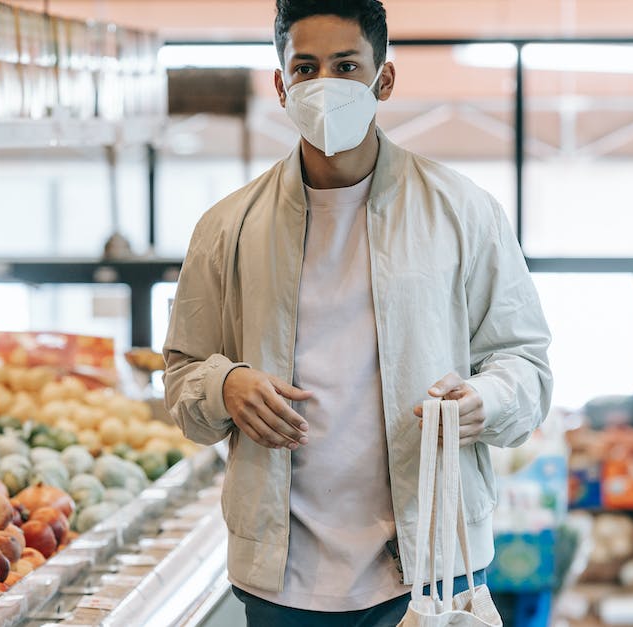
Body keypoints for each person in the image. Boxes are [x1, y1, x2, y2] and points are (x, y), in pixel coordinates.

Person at [164, 1, 553, 624]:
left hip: (433, 569)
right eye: (306, 68)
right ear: (281, 85)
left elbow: (527, 363)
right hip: (279, 579)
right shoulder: (226, 228)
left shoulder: (463, 211)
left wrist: (489, 399)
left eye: (346, 66)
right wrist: (225, 384)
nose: (325, 86)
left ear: (384, 80)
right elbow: (182, 376)